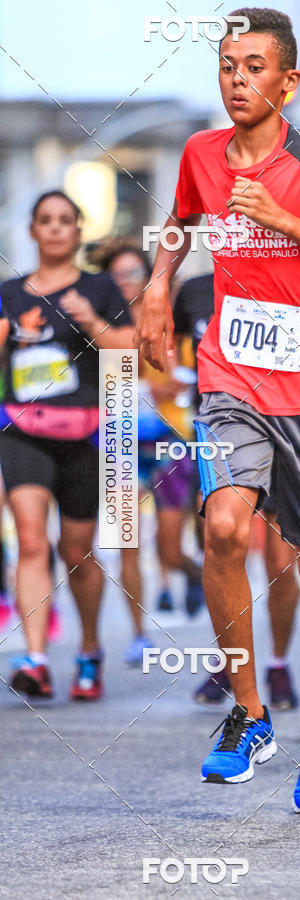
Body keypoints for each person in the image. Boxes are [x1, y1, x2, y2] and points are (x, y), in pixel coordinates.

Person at [135, 8, 300, 812]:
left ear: (289, 81)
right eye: (227, 65)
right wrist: (157, 284)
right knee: (222, 527)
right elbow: (179, 225)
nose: (237, 79)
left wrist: (286, 222)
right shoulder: (201, 154)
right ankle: (247, 713)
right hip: (231, 380)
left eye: (254, 66)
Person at [0, 190, 133, 699]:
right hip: (22, 431)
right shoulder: (9, 294)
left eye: (64, 220)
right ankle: (35, 660)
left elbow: (130, 352)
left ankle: (90, 649)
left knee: (76, 550)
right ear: (33, 230)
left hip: (84, 435)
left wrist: (92, 322)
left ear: (78, 231)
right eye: (46, 220)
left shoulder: (99, 288)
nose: (55, 228)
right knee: (31, 539)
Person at [173, 274, 300, 710]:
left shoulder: (284, 276)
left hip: (284, 426)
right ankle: (230, 662)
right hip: (220, 427)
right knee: (222, 546)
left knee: (279, 563)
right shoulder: (194, 291)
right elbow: (174, 353)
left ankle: (279, 665)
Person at [92, 241, 205, 664]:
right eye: (117, 275)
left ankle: (191, 572)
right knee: (127, 541)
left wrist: (163, 383)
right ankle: (139, 634)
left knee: (169, 550)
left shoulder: (170, 321)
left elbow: (185, 376)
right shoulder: (98, 326)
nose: (126, 282)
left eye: (134, 273)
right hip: (118, 440)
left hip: (169, 440)